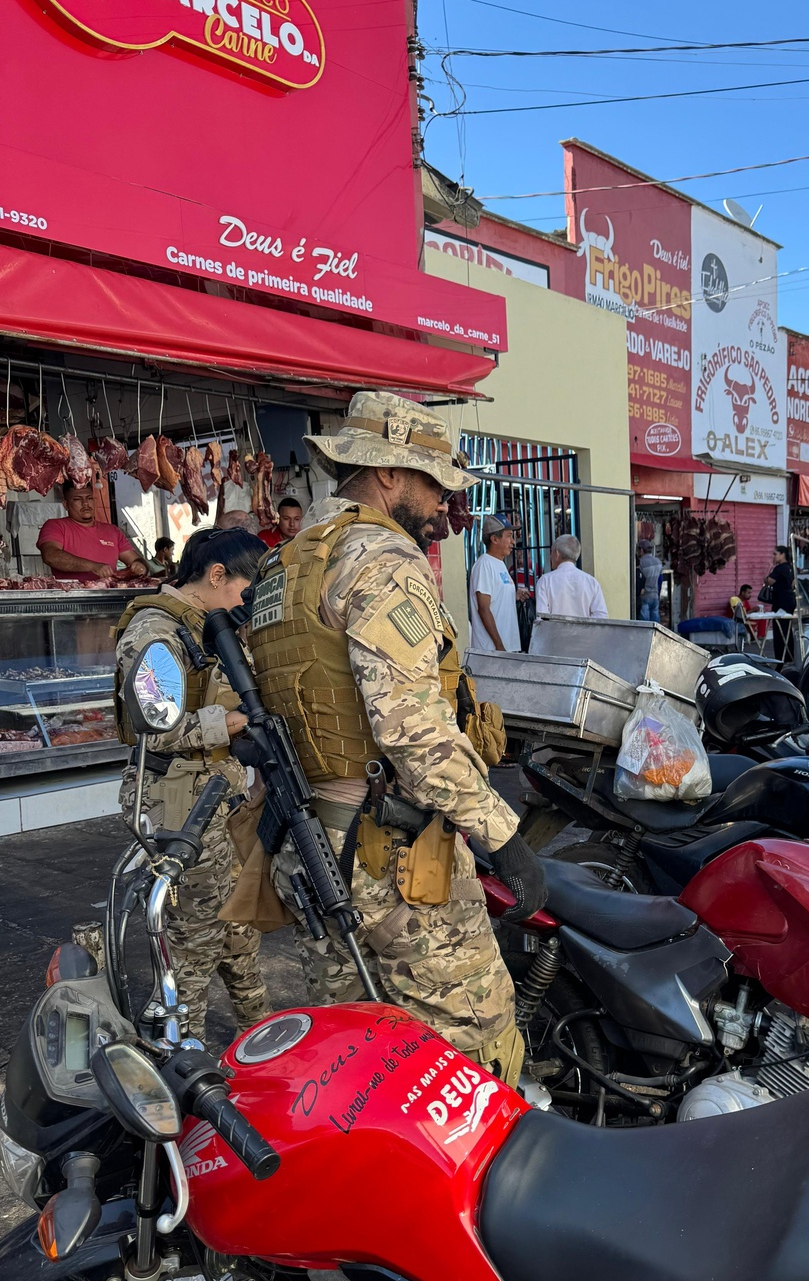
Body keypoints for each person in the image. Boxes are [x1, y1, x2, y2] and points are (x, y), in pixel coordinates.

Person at [245, 390, 545, 1082]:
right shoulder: (382, 560)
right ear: (387, 474)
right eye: (435, 482)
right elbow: (411, 729)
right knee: (474, 1050)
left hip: (312, 847)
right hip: (392, 857)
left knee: (357, 1057)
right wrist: (503, 838)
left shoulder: (286, 566)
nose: (447, 501)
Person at [112, 528, 271, 1042]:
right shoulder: (157, 631)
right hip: (178, 808)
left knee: (240, 935)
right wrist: (223, 724)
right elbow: (153, 729)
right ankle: (184, 1057)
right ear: (217, 574)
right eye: (246, 591)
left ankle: (262, 1041)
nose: (248, 604)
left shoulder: (208, 626)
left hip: (218, 799)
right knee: (192, 945)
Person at [37, 479, 148, 583]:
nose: (85, 503)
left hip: (110, 596)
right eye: (77, 499)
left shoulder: (112, 531)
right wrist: (93, 566)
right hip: (71, 597)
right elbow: (51, 556)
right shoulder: (55, 526)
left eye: (89, 498)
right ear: (66, 505)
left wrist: (140, 566)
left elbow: (136, 560)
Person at [469, 515, 523, 652]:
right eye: (509, 536)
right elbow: (484, 608)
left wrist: (515, 595)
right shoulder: (484, 565)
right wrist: (498, 645)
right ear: (494, 539)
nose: (513, 542)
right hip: (492, 650)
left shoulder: (499, 563)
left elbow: (496, 596)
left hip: (506, 647)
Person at [535, 534, 607, 620]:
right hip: (584, 633)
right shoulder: (591, 582)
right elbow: (601, 616)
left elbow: (542, 618)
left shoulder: (545, 581)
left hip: (555, 633)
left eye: (551, 552)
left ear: (557, 554)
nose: (550, 557)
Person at [760, 546, 796, 663]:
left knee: (780, 631)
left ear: (782, 555)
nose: (773, 557)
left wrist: (767, 574)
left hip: (781, 602)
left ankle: (781, 658)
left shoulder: (780, 568)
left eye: (775, 554)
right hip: (790, 601)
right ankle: (789, 657)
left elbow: (769, 581)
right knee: (787, 629)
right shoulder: (790, 567)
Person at [637, 540, 662, 622]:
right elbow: (660, 580)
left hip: (645, 596)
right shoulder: (658, 562)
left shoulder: (641, 563)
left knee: (645, 623)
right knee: (655, 622)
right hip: (655, 595)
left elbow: (639, 580)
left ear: (641, 550)